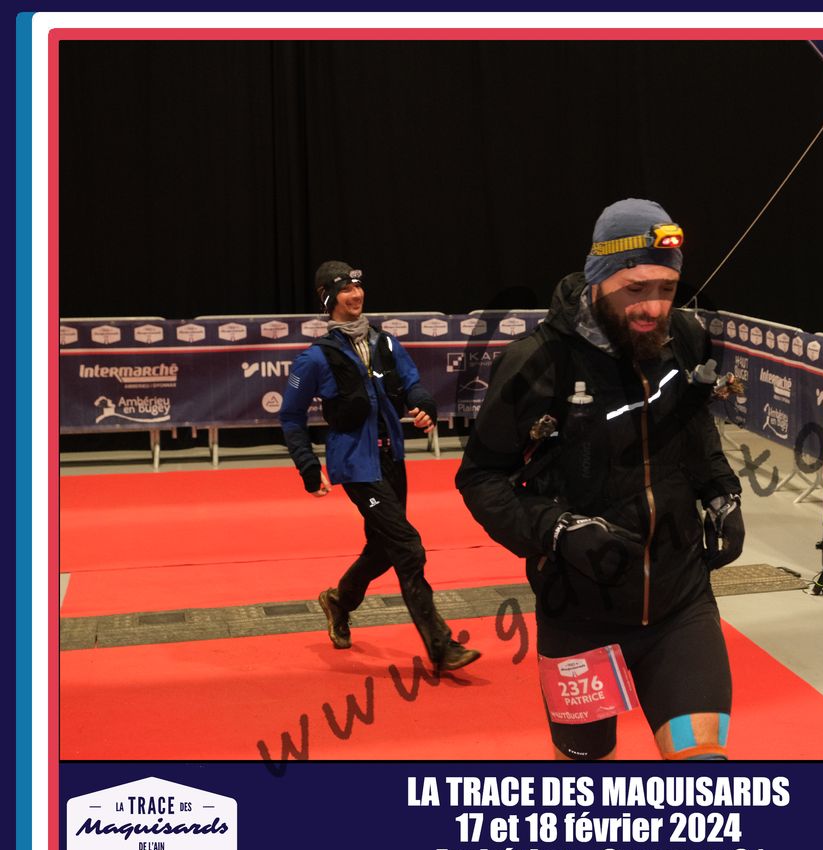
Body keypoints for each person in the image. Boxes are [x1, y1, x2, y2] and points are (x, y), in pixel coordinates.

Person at [456, 199, 744, 760]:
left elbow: (696, 432)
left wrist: (721, 492)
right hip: (578, 619)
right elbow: (481, 478)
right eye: (635, 289)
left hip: (680, 605)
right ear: (598, 278)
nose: (653, 306)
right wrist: (556, 529)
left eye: (667, 288)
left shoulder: (684, 338)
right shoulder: (537, 362)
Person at [280, 260, 480, 673]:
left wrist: (423, 406)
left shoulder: (386, 343)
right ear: (328, 299)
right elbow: (291, 416)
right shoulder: (315, 358)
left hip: (392, 458)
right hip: (355, 466)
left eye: (358, 287)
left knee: (383, 548)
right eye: (345, 289)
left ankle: (339, 600)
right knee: (407, 546)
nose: (356, 295)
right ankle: (441, 646)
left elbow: (413, 385)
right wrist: (307, 465)